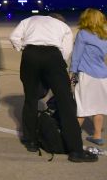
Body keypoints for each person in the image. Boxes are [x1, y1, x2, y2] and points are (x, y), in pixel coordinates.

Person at [10, 13, 98, 162]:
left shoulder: (29, 20)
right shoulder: (63, 25)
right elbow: (67, 50)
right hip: (52, 55)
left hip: (30, 54)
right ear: (58, 20)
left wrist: (24, 50)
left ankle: (30, 141)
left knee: (30, 99)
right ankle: (76, 150)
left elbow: (14, 37)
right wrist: (56, 63)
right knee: (66, 102)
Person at [70, 8, 107, 146]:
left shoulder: (83, 34)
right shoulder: (105, 35)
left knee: (82, 106)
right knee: (99, 107)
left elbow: (77, 55)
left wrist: (72, 73)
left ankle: (72, 136)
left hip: (87, 74)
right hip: (103, 75)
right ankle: (97, 136)